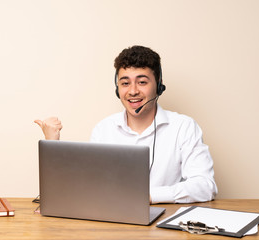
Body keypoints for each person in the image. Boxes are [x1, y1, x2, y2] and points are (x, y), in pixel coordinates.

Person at [35, 45, 217, 204]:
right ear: (117, 89)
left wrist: (150, 196)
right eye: (125, 83)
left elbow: (205, 186)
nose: (133, 91)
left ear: (159, 85)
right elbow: (89, 186)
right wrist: (52, 143)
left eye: (142, 82)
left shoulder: (183, 127)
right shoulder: (103, 129)